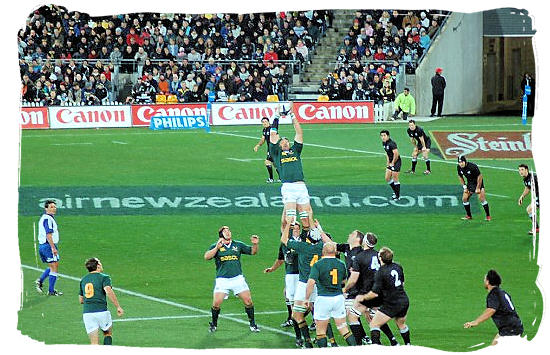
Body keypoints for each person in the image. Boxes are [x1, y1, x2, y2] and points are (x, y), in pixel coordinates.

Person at [269, 102, 319, 238]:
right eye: (283, 141)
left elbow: (299, 132)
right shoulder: (276, 153)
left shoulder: (295, 150)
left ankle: (306, 240)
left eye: (286, 140)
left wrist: (292, 114)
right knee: (290, 219)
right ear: (279, 145)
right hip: (288, 187)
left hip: (301, 186)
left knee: (306, 219)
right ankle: (288, 243)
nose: (285, 141)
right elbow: (273, 135)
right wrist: (276, 115)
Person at [204, 226, 260, 333]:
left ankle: (252, 324)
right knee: (216, 303)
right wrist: (216, 248)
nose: (228, 232)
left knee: (248, 301)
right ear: (221, 234)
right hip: (222, 280)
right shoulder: (216, 246)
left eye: (229, 230)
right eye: (225, 231)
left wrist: (255, 244)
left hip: (237, 279)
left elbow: (253, 252)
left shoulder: (237, 245)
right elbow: (206, 257)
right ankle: (214, 324)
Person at [346, 233, 399, 346]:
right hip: (379, 293)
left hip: (367, 293)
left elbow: (354, 279)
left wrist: (345, 289)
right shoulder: (379, 256)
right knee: (374, 318)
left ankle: (359, 345)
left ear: (364, 241)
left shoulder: (360, 257)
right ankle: (392, 341)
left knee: (352, 316)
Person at [281, 218, 323, 348]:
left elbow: (284, 240)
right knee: (320, 316)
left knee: (296, 315)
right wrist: (319, 228)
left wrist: (288, 224)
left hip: (304, 284)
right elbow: (328, 241)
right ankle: (327, 342)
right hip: (317, 284)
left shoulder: (303, 246)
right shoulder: (321, 246)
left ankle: (307, 341)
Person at [355, 247, 411, 346]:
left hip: (392, 303)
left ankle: (376, 349)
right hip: (403, 300)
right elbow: (402, 284)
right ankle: (408, 345)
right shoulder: (398, 266)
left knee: (374, 324)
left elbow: (374, 293)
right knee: (401, 324)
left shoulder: (381, 272)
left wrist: (362, 298)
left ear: (380, 258)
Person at [305, 242, 357, 347]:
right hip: (338, 299)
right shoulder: (341, 264)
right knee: (343, 328)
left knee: (320, 331)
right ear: (334, 251)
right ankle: (354, 350)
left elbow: (311, 282)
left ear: (323, 251)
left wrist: (306, 298)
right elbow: (343, 282)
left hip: (323, 299)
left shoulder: (318, 264)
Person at [264, 222, 302, 344]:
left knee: (309, 303)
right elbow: (281, 259)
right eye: (293, 229)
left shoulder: (306, 241)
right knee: (292, 301)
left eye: (297, 229)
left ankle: (314, 325)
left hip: (304, 276)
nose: (295, 230)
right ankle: (298, 334)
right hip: (291, 275)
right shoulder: (285, 243)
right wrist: (272, 268)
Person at [464, 270, 524, 346]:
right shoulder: (502, 292)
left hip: (510, 329)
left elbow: (491, 310)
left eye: (485, 279)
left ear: (488, 282)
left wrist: (476, 322)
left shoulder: (493, 294)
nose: (484, 281)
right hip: (513, 327)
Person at [79, 257, 124, 345]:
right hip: (101, 311)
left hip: (87, 314)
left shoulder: (83, 280)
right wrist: (118, 306)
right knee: (107, 333)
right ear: (98, 266)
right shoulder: (104, 277)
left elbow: (81, 300)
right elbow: (108, 291)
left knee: (94, 343)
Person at [35, 200, 63, 296]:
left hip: (44, 245)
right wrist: (53, 248)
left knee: (52, 266)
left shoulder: (46, 218)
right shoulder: (48, 219)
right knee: (54, 267)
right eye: (51, 207)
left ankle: (40, 281)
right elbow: (49, 234)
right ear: (46, 208)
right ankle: (51, 291)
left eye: (54, 207)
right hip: (48, 246)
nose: (54, 208)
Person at [457, 156, 491, 221]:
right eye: (459, 162)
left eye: (462, 162)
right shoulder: (459, 167)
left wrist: (478, 188)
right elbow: (460, 176)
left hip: (478, 183)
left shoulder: (472, 166)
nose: (461, 164)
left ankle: (488, 216)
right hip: (470, 183)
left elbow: (480, 176)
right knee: (464, 198)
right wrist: (464, 187)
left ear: (465, 161)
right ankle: (469, 216)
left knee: (481, 198)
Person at [254, 117, 280, 183]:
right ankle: (281, 178)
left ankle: (271, 179)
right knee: (275, 164)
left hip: (273, 148)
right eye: (263, 122)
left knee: (267, 162)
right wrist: (258, 145)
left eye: (265, 121)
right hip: (270, 148)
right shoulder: (264, 130)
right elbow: (263, 139)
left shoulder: (272, 129)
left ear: (268, 122)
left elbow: (277, 136)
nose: (264, 123)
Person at [518, 164, 539, 234]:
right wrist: (522, 196)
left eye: (522, 170)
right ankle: (536, 228)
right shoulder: (525, 179)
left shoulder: (534, 178)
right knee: (529, 209)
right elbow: (528, 188)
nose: (520, 172)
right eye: (519, 170)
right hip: (537, 198)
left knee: (530, 209)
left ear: (526, 170)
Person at [380, 130, 401, 200]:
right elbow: (387, 153)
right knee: (387, 178)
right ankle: (395, 191)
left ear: (388, 136)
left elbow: (396, 154)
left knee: (395, 178)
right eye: (381, 136)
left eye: (384, 135)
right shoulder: (383, 143)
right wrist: (388, 161)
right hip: (391, 162)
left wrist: (392, 162)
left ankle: (397, 196)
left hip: (396, 162)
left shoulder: (392, 143)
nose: (383, 137)